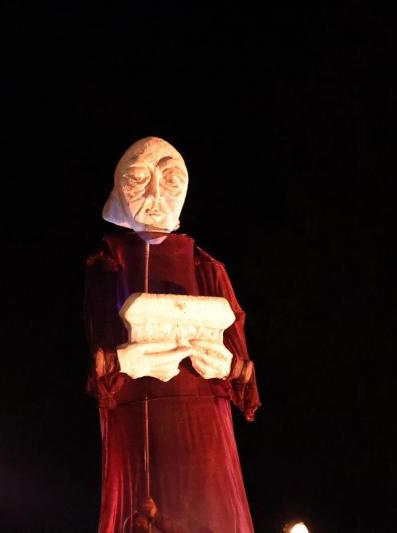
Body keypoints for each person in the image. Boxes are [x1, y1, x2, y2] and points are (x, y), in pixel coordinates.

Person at [84, 137, 259, 533]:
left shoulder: (206, 268)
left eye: (170, 181)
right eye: (137, 181)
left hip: (200, 410)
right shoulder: (107, 265)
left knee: (203, 509)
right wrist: (121, 360)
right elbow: (100, 357)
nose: (155, 197)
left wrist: (228, 365)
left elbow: (243, 372)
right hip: (138, 409)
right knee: (145, 509)